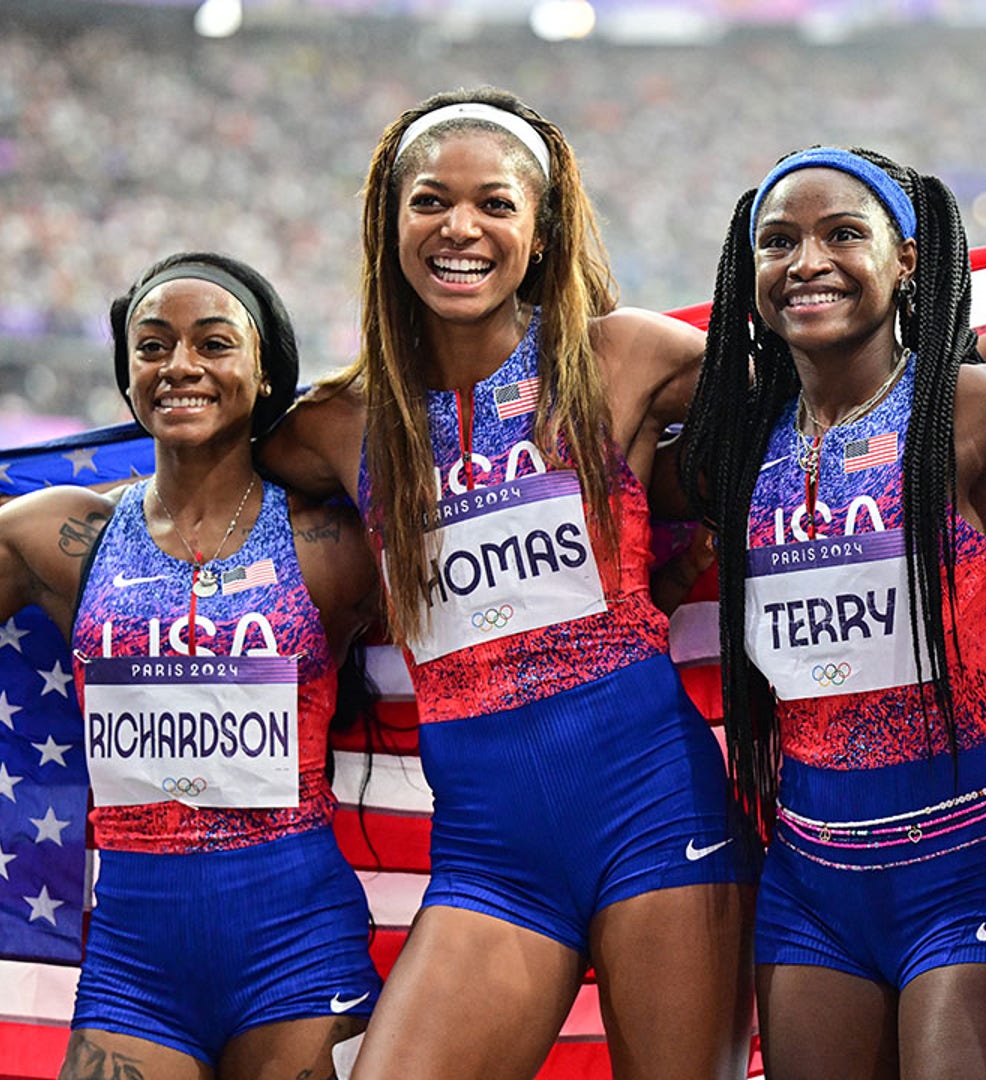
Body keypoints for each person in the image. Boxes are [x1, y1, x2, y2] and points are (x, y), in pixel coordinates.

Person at [0, 252, 384, 1078]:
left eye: (213, 344)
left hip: (299, 951)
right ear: (128, 374)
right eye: (153, 346)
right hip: (136, 968)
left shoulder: (335, 547)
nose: (180, 365)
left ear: (263, 372)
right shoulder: (63, 540)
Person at [262, 89, 751, 1080]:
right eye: (431, 201)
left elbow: (847, 389)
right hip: (492, 858)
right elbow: (189, 480)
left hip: (659, 820)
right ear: (389, 224)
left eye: (495, 204)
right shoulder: (337, 424)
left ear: (539, 232)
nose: (461, 227)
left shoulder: (624, 357)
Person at [679, 143, 986, 1079]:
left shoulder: (982, 410)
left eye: (842, 234)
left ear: (907, 261)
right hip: (808, 891)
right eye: (778, 242)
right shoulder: (733, 444)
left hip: (971, 870)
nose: (806, 261)